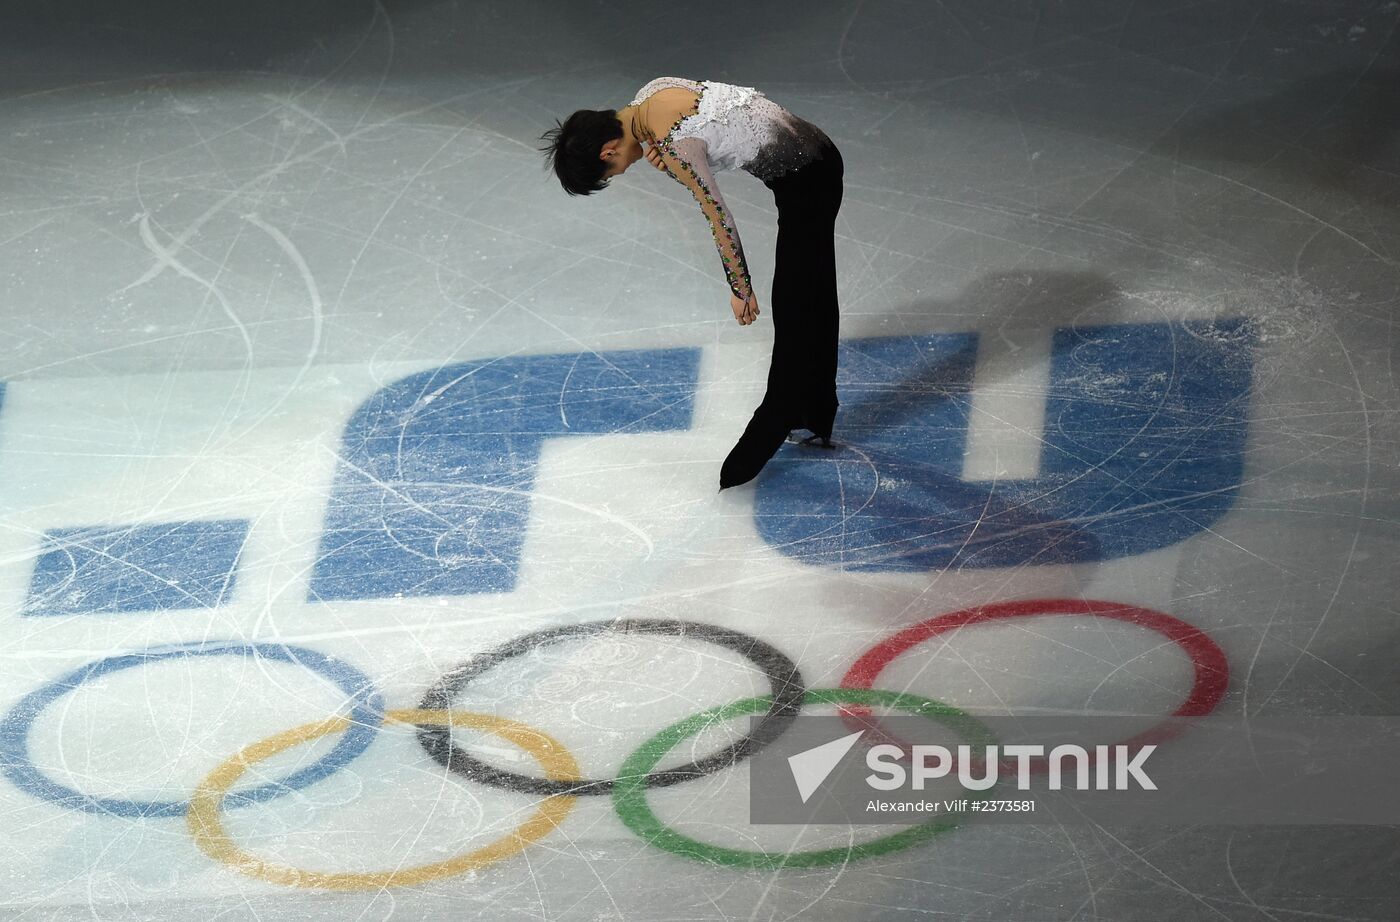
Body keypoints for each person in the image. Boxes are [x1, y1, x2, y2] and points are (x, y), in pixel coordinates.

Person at [539, 77, 844, 489]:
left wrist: (740, 288)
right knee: (813, 291)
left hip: (808, 182)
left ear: (607, 151)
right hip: (816, 162)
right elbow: (717, 126)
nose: (619, 172)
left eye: (609, 172)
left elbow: (718, 214)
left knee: (795, 304)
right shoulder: (651, 94)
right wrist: (673, 161)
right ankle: (815, 408)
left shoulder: (672, 143)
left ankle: (778, 421)